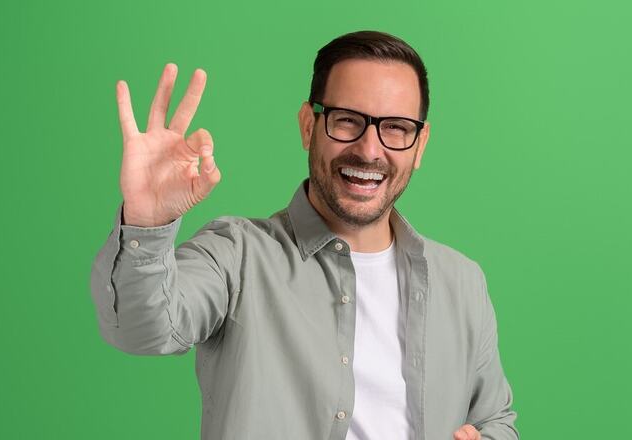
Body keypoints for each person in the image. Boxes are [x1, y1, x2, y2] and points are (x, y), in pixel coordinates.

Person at [90, 30, 519, 440]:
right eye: (347, 120)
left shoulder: (462, 282)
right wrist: (146, 222)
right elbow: (140, 329)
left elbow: (494, 418)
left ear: (420, 144)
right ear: (308, 126)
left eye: (396, 128)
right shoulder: (236, 255)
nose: (370, 150)